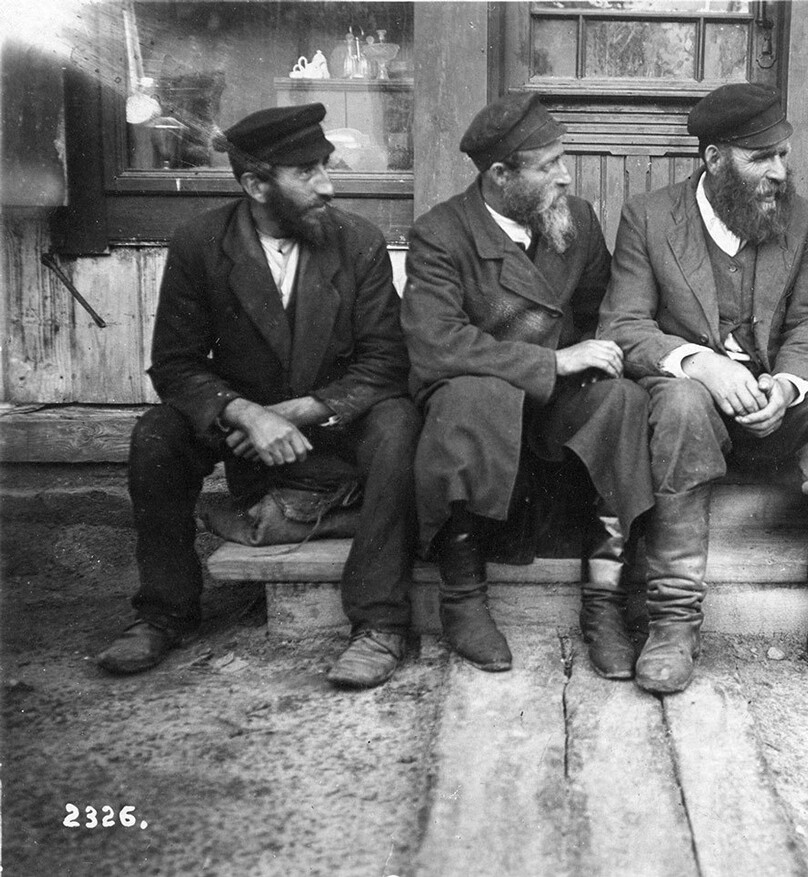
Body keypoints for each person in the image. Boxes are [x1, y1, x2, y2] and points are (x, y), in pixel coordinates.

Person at [97, 104, 420, 690]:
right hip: (243, 431)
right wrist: (243, 412)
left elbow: (386, 361)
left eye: (325, 166)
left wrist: (298, 412)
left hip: (332, 421)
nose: (327, 185)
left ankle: (379, 624)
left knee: (398, 423)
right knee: (158, 434)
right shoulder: (201, 243)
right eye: (306, 173)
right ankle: (164, 613)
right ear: (255, 185)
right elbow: (175, 363)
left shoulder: (359, 243)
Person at [599, 82, 808, 698]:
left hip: (774, 406)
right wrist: (701, 363)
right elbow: (623, 326)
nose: (780, 171)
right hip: (693, 407)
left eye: (784, 154)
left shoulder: (800, 218)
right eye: (762, 158)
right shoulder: (648, 217)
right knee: (678, 401)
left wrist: (788, 382)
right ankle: (672, 626)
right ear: (714, 159)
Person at [401, 92, 654, 678]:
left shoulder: (577, 220)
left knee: (622, 400)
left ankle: (604, 604)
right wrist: (553, 363)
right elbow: (435, 344)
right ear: (499, 175)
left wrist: (589, 361)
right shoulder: (440, 233)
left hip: (556, 417)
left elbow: (600, 313)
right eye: (548, 166)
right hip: (481, 421)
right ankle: (463, 601)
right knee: (467, 395)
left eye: (563, 161)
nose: (565, 177)